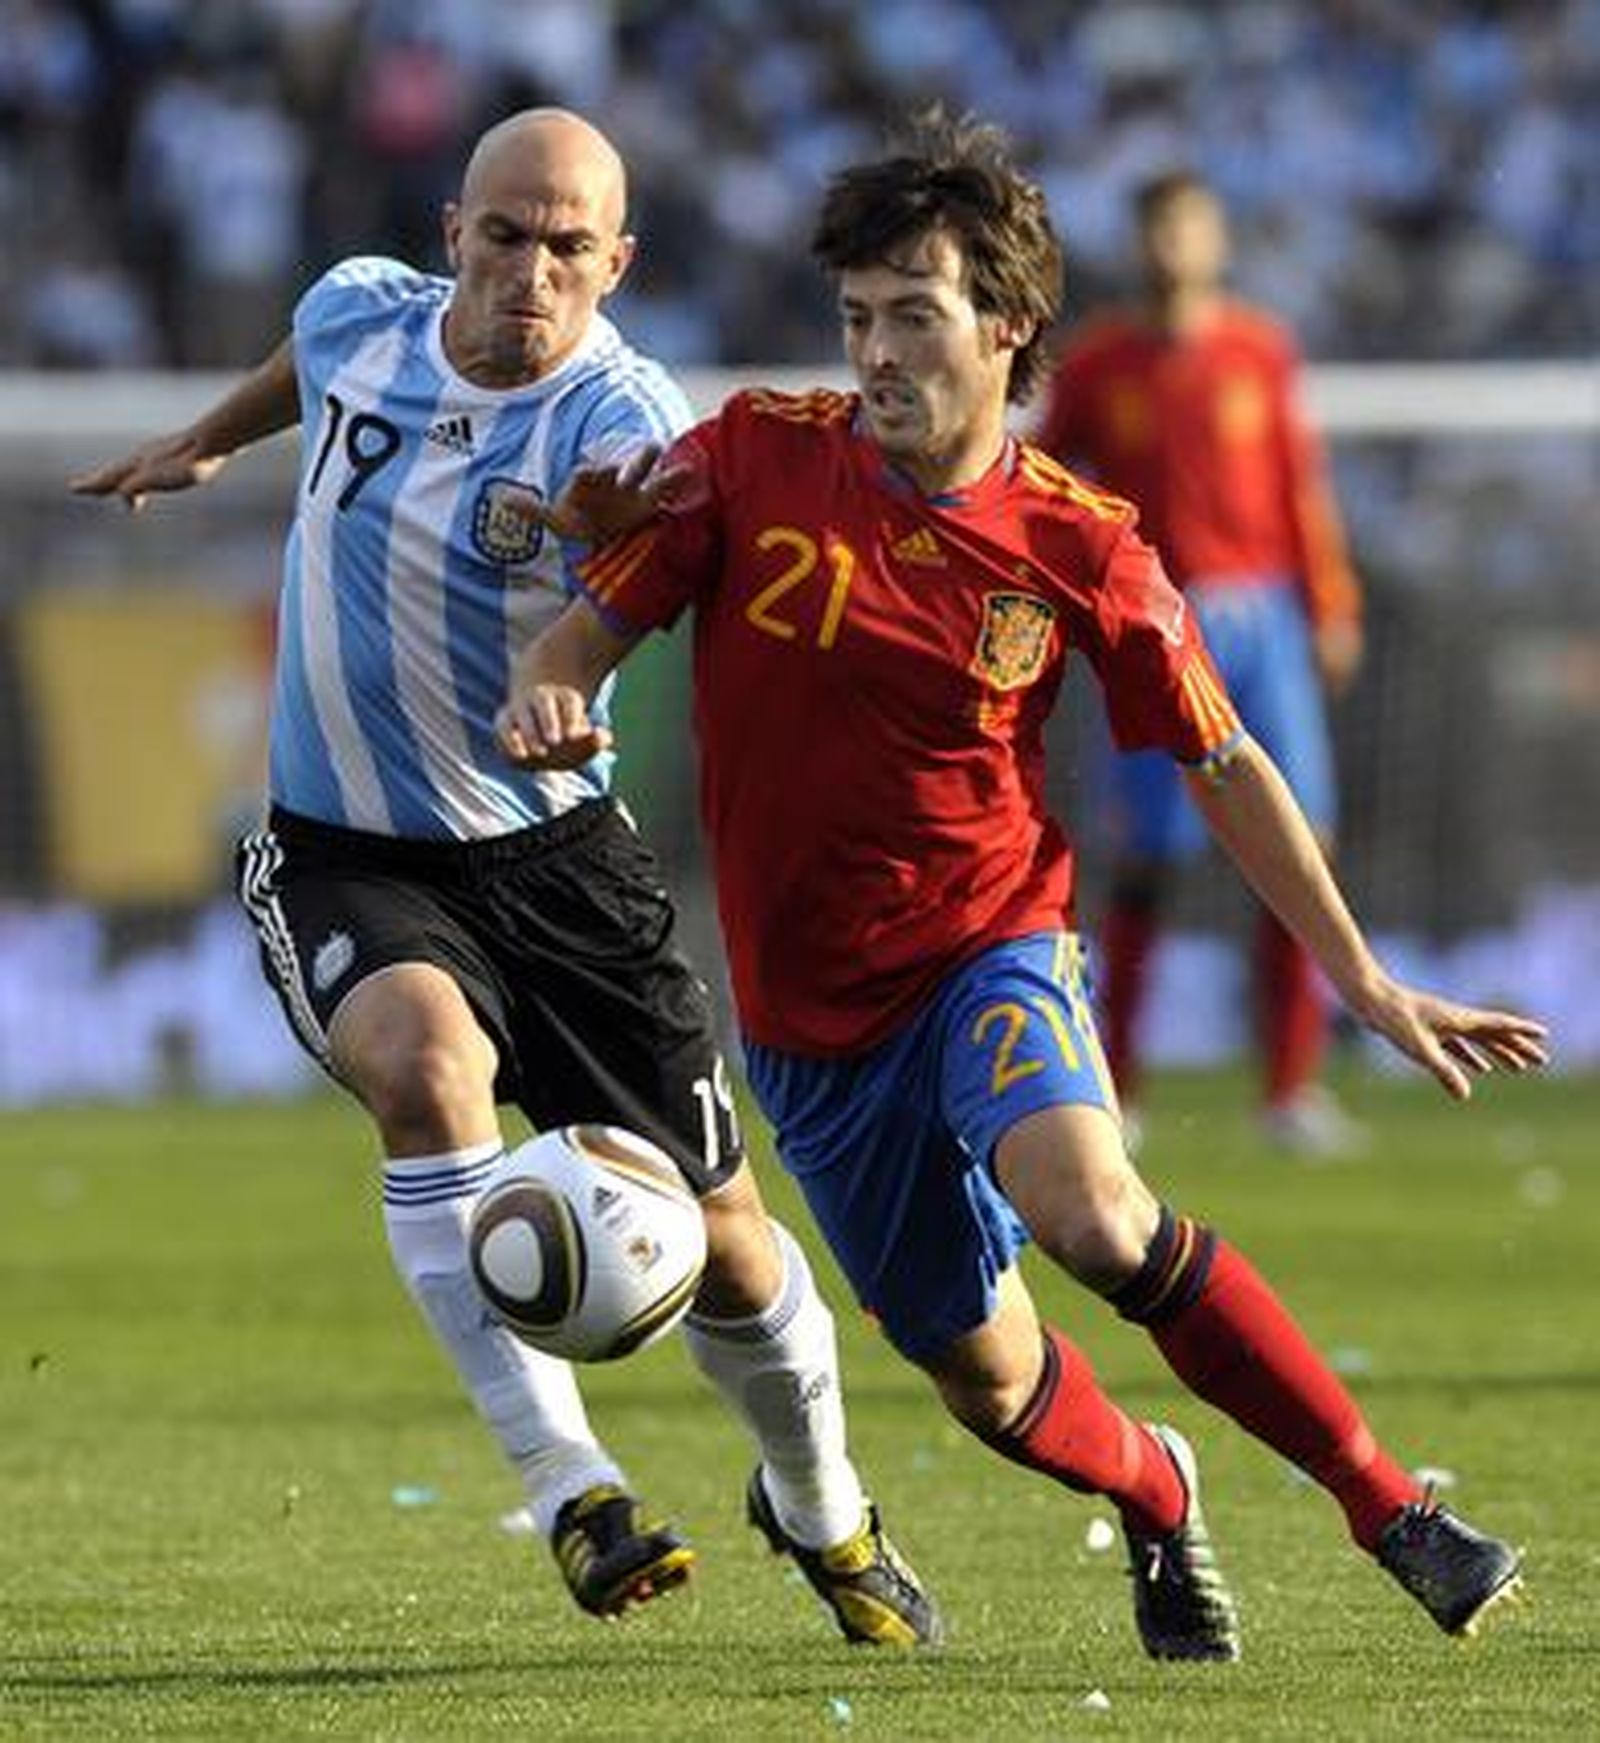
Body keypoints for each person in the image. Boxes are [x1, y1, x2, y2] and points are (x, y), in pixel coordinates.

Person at [497, 109, 1547, 1662]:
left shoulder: (1082, 547)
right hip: (805, 1021)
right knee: (989, 1381)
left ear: (1007, 329)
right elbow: (583, 629)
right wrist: (547, 688)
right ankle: (1159, 1488)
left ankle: (1392, 1504)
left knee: (1095, 1213)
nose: (877, 355)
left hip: (988, 944)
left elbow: (1227, 762)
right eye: (857, 319)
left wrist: (1363, 978)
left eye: (913, 316)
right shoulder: (747, 462)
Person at [70, 107, 939, 1647]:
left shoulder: (625, 416)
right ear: (448, 236)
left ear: (617, 263)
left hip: (558, 870)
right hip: (344, 852)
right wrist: (211, 433)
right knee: (424, 1068)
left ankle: (822, 1502)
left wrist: (610, 568)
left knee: (733, 1242)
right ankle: (572, 1487)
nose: (529, 271)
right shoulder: (355, 314)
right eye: (503, 235)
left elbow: (661, 543)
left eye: (566, 248)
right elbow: (306, 358)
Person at [1036, 169, 1366, 1156]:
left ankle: (1290, 1089)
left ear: (1213, 238)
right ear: (1138, 243)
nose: (1172, 244)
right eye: (1157, 229)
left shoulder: (1258, 353)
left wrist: (1330, 601)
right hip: (1156, 619)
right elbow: (1050, 489)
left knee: (1303, 842)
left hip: (1263, 616)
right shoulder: (1099, 367)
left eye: (1187, 226)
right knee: (1144, 862)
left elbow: (1298, 488)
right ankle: (1117, 1088)